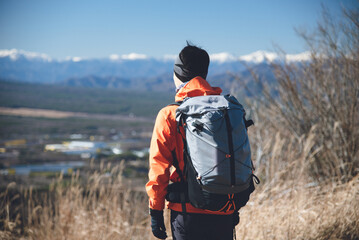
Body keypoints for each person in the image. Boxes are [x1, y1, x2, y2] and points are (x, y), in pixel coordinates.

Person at [146, 42, 239, 240]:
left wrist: (156, 211)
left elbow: (158, 167)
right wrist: (233, 202)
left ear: (177, 75)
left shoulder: (170, 114)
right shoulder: (226, 110)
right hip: (224, 209)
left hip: (187, 213)